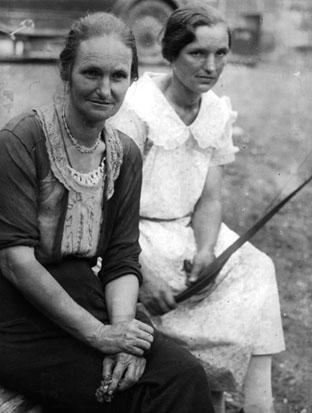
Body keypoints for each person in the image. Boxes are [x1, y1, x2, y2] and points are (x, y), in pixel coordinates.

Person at [0, 12, 215, 413]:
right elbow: (15, 261)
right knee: (127, 395)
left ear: (132, 80)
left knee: (185, 374)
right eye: (91, 73)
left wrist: (121, 333)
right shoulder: (22, 139)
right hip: (17, 311)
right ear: (66, 71)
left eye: (118, 76)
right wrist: (99, 335)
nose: (104, 89)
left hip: (88, 296)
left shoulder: (123, 154)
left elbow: (120, 259)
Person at [110, 5, 285, 413]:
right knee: (180, 297)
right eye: (197, 54)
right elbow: (113, 205)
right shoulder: (138, 108)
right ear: (171, 53)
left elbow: (210, 198)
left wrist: (206, 248)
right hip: (133, 233)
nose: (211, 66)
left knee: (256, 267)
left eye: (221, 53)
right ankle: (207, 398)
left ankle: (260, 403)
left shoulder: (215, 111)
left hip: (188, 229)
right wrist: (141, 271)